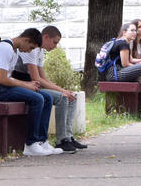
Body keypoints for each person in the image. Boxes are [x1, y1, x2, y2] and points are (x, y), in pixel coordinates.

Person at [11, 24, 87, 153]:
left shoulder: (39, 51)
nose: (55, 46)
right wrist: (62, 92)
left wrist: (64, 90)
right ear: (45, 37)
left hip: (33, 86)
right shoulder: (32, 50)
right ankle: (60, 140)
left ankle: (68, 137)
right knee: (62, 98)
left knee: (71, 97)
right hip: (24, 85)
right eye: (54, 42)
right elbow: (37, 78)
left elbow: (43, 79)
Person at [0, 28, 61, 156]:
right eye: (31, 47)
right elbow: (3, 79)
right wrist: (25, 85)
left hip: (6, 87)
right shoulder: (5, 48)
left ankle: (41, 141)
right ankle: (30, 144)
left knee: (47, 98)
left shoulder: (14, 51)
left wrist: (27, 85)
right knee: (37, 99)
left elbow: (8, 78)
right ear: (26, 40)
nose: (29, 51)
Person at [95, 23, 141, 119]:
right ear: (124, 32)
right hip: (116, 74)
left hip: (123, 72)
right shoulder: (122, 43)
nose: (134, 33)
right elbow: (125, 64)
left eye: (135, 31)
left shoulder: (125, 43)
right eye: (131, 30)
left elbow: (131, 60)